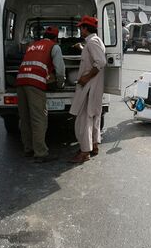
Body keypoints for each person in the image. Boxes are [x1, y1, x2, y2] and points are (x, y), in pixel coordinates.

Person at [16, 25, 65, 163]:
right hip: (35, 83)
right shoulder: (54, 47)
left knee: (25, 117)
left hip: (20, 81)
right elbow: (60, 70)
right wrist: (60, 83)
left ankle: (28, 148)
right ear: (56, 38)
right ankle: (41, 153)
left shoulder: (33, 45)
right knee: (39, 118)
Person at [69, 15, 106, 163]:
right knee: (93, 117)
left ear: (85, 28)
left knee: (83, 120)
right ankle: (94, 145)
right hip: (94, 87)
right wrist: (82, 48)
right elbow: (94, 58)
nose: (80, 30)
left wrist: (86, 77)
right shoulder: (92, 42)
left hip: (89, 87)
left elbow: (101, 61)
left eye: (81, 28)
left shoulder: (92, 42)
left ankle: (85, 152)